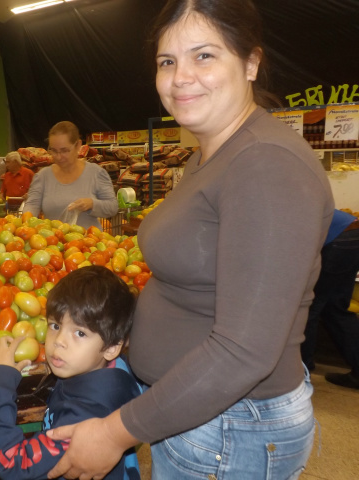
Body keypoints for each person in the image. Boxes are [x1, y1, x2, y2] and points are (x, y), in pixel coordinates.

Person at [46, 1, 335, 479]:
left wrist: (117, 432)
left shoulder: (265, 164)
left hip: (232, 428)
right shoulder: (211, 156)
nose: (180, 77)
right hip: (201, 417)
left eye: (204, 56)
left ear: (250, 62)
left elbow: (246, 349)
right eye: (167, 61)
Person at [0, 265, 143, 479]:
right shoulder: (116, 368)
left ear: (112, 347)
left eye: (80, 333)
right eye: (55, 326)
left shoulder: (82, 419)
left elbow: (13, 464)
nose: (59, 342)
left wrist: (0, 382)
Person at [301, 209, 359, 389]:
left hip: (339, 239)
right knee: (335, 309)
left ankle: (303, 374)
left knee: (309, 308)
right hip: (352, 234)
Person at [22, 121, 118, 229]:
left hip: (90, 243)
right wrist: (26, 222)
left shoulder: (96, 173)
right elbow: (32, 205)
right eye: (53, 150)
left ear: (78, 145)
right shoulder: (43, 176)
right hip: (54, 243)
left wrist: (92, 204)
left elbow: (112, 207)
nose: (58, 157)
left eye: (64, 150)